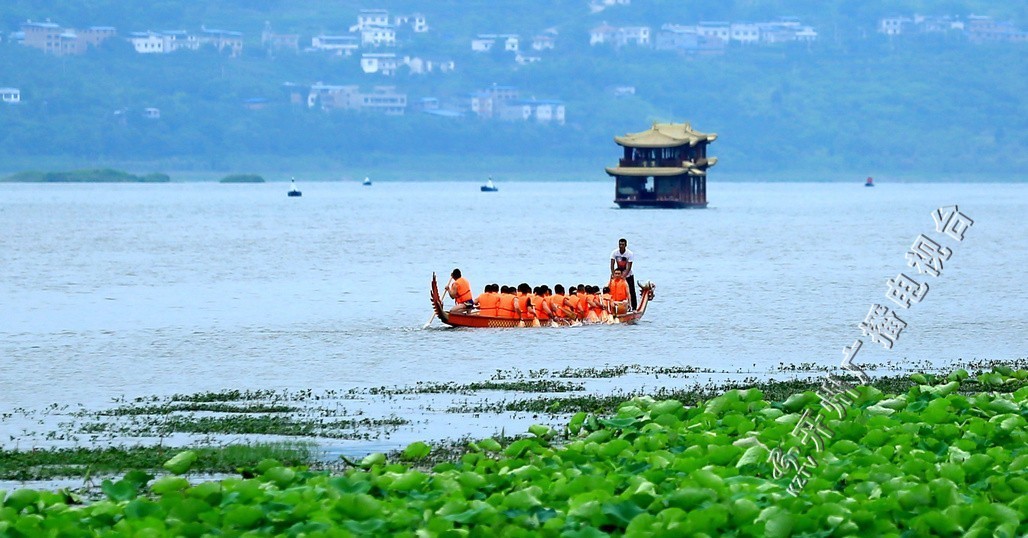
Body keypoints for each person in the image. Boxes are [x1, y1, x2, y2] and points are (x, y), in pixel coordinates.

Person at [610, 238, 637, 310]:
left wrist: (624, 276)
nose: (621, 246)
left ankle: (634, 308)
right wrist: (613, 274)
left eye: (622, 244)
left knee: (631, 291)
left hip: (628, 274)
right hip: (618, 272)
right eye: (620, 244)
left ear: (625, 245)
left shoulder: (629, 254)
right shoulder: (614, 252)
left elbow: (629, 267)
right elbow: (612, 264)